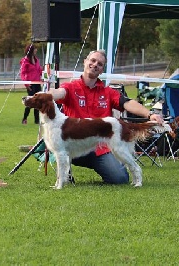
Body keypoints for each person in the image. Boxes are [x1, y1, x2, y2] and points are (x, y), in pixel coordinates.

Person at [47, 49, 164, 185]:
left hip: (99, 148)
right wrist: (48, 95)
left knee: (119, 179)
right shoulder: (70, 87)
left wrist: (150, 114)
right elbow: (60, 92)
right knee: (59, 148)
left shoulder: (108, 92)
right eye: (93, 60)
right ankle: (65, 174)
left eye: (100, 64)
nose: (95, 64)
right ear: (85, 62)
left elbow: (127, 103)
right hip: (73, 145)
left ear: (102, 70)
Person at [20, 44, 42, 124]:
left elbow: (39, 70)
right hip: (30, 84)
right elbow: (22, 73)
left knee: (38, 101)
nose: (36, 50)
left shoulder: (36, 60)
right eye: (35, 49)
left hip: (37, 83)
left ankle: (37, 120)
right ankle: (24, 118)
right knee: (30, 102)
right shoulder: (25, 61)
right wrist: (26, 84)